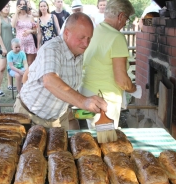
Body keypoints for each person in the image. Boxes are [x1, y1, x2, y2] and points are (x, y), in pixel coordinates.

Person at [14, 12, 107, 131]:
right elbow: (49, 81)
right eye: (82, 37)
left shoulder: (78, 51)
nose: (86, 43)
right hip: (30, 116)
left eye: (89, 38)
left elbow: (29, 72)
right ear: (66, 33)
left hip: (57, 119)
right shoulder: (52, 49)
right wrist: (84, 101)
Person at [79, 0, 137, 129]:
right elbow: (122, 81)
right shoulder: (116, 37)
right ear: (121, 16)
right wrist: (134, 89)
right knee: (106, 142)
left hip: (87, 94)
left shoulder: (95, 30)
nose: (124, 23)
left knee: (95, 138)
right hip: (104, 100)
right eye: (126, 19)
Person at [0, 3, 14, 97]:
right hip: (3, 46)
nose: (6, 8)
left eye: (8, 7)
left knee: (10, 65)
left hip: (11, 45)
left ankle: (9, 85)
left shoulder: (10, 19)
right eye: (4, 7)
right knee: (2, 68)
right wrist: (2, 47)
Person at [11, 0, 37, 67]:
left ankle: (29, 77)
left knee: (30, 63)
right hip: (20, 43)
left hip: (30, 43)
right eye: (20, 4)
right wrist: (17, 12)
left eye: (24, 4)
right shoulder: (15, 16)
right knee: (20, 64)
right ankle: (22, 77)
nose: (22, 6)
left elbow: (35, 30)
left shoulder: (30, 17)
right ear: (17, 6)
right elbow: (13, 25)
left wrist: (29, 31)